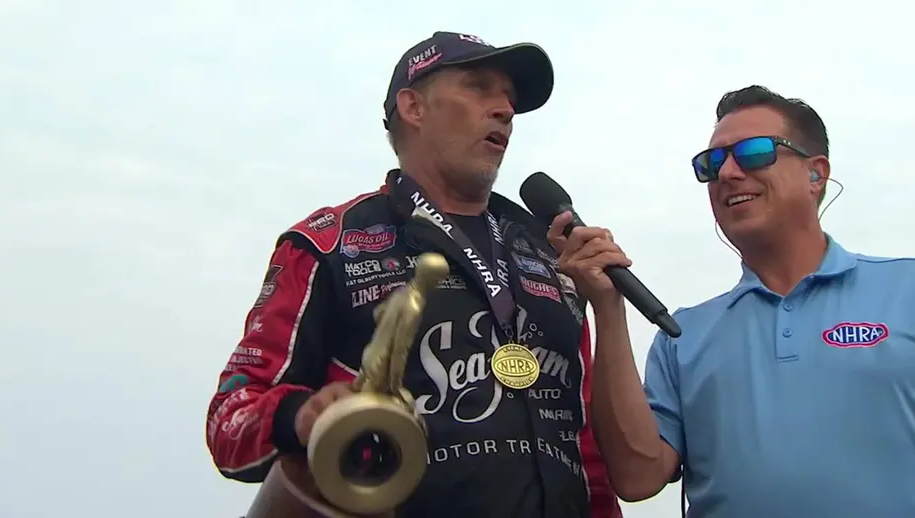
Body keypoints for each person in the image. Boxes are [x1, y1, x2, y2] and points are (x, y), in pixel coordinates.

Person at [205, 30, 623, 518]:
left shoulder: (553, 256)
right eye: (478, 87)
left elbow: (588, 447)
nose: (505, 109)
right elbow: (229, 419)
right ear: (413, 107)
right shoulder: (326, 244)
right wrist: (304, 416)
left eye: (509, 98)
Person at [548, 84, 915, 517]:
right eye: (712, 163)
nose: (728, 173)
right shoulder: (682, 336)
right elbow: (638, 477)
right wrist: (608, 309)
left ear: (816, 174)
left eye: (754, 152)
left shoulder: (904, 288)